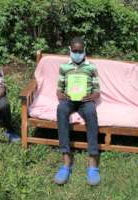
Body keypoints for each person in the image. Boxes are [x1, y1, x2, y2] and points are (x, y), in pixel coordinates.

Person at [54, 37, 101, 185]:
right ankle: (66, 161)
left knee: (91, 113)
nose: (77, 53)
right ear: (70, 50)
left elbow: (97, 91)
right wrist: (60, 95)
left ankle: (93, 163)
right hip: (68, 100)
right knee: (61, 109)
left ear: (85, 51)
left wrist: (91, 97)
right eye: (75, 51)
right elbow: (59, 89)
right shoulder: (64, 67)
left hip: (85, 101)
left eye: (80, 51)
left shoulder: (91, 67)